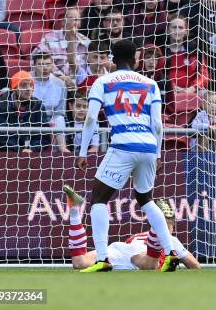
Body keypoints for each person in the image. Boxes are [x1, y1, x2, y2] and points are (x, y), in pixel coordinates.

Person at [75, 39, 179, 272]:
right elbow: (158, 124)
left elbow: (91, 118)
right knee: (146, 200)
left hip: (123, 144)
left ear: (112, 60)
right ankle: (170, 253)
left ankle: (103, 258)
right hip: (149, 147)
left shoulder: (103, 81)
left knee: (99, 199)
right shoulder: (150, 83)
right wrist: (159, 153)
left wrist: (83, 151)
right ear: (136, 59)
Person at [62, 185, 201, 270]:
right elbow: (194, 265)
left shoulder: (137, 236)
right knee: (150, 265)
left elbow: (129, 250)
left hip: (118, 249)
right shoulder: (171, 240)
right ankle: (158, 223)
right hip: (138, 254)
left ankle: (74, 211)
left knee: (79, 262)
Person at [0, 71, 50, 152]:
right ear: (14, 88)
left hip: (32, 153)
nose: (28, 89)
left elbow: (44, 136)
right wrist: (20, 150)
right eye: (23, 85)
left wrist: (32, 149)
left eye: (31, 85)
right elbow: (1, 137)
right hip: (5, 153)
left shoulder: (38, 105)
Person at [33, 7, 90, 88]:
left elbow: (90, 67)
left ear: (80, 23)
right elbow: (36, 58)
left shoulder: (86, 42)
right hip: (53, 84)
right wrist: (60, 77)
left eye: (77, 20)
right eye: (71, 19)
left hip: (78, 86)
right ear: (63, 22)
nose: (74, 22)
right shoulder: (49, 38)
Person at [31, 52, 69, 153]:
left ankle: (63, 148)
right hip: (31, 117)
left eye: (48, 64)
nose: (45, 67)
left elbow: (60, 111)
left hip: (51, 118)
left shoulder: (60, 83)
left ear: (52, 65)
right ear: (33, 66)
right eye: (40, 64)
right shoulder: (27, 80)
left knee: (60, 119)